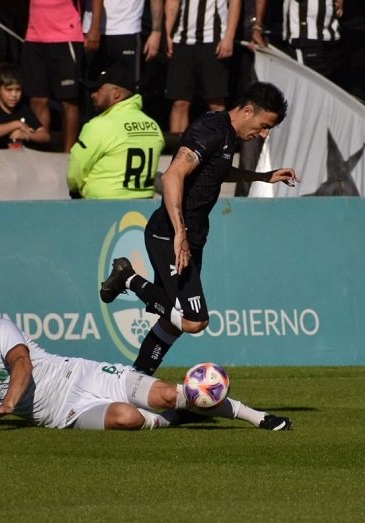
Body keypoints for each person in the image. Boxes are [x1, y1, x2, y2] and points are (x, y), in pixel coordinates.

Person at [100, 81, 298, 375]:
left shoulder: (227, 136)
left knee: (172, 321)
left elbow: (216, 169)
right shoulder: (212, 129)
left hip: (191, 237)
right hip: (169, 235)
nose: (264, 134)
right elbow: (172, 176)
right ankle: (127, 277)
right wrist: (180, 233)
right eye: (264, 125)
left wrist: (263, 176)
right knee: (193, 320)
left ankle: (135, 381)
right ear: (247, 111)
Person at [0, 301, 292, 431]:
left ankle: (258, 417)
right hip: (65, 414)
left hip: (81, 374)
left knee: (166, 392)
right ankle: (175, 419)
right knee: (124, 418)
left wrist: (7, 403)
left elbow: (20, 364)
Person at [67, 68, 165, 199]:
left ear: (116, 93)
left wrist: (75, 190)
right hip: (141, 209)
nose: (93, 95)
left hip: (101, 209)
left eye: (98, 89)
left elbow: (75, 170)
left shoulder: (99, 125)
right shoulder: (153, 126)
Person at [21, 0, 103, 152]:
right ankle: (39, 150)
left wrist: (95, 28)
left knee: (68, 100)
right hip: (34, 36)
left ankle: (68, 154)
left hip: (65, 36)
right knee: (37, 99)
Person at [164, 0, 240, 133]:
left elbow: (234, 2)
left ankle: (220, 150)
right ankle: (178, 150)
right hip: (182, 41)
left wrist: (229, 37)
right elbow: (172, 2)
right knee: (179, 102)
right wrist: (168, 34)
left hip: (213, 41)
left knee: (216, 103)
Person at [252, 0, 344, 79]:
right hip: (307, 37)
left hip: (325, 36)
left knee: (324, 89)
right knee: (315, 86)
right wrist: (258, 26)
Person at [82, 0, 164, 87]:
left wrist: (156, 31)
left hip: (127, 29)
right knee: (91, 88)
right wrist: (94, 28)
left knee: (126, 89)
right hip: (90, 30)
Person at [0, 63, 50, 149]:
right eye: (9, 90)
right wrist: (17, 124)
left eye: (18, 90)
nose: (14, 95)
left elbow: (45, 136)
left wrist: (25, 135)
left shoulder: (23, 108)